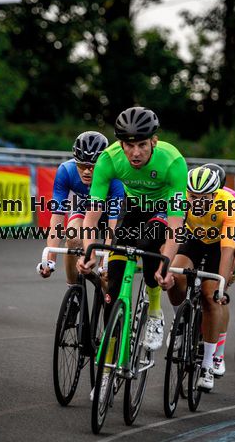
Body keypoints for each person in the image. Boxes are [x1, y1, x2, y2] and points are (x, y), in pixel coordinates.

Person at [77, 107, 188, 352]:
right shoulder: (108, 159)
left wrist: (166, 264)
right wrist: (89, 253)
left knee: (149, 247)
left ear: (154, 142)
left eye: (142, 145)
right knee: (113, 281)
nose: (135, 153)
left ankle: (155, 312)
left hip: (163, 207)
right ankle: (109, 361)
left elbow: (176, 226)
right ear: (120, 144)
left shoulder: (174, 162)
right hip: (134, 206)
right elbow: (91, 219)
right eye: (129, 145)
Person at [166, 166, 235, 391]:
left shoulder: (228, 205)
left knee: (210, 297)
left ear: (214, 194)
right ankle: (179, 319)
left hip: (217, 246)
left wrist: (221, 286)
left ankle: (208, 363)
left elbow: (228, 251)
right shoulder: (181, 198)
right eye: (193, 196)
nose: (196, 202)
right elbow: (173, 234)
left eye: (203, 198)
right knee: (175, 276)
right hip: (193, 239)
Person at [38, 131, 124, 282]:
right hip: (84, 211)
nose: (86, 171)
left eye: (92, 166)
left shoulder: (114, 175)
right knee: (72, 237)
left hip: (110, 216)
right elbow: (57, 217)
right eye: (81, 164)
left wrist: (105, 259)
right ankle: (73, 288)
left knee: (107, 279)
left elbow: (113, 222)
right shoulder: (66, 170)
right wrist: (50, 259)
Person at [202, 162, 235, 377]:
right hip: (200, 238)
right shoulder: (193, 190)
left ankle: (217, 353)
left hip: (225, 243)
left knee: (219, 294)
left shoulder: (231, 199)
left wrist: (229, 273)